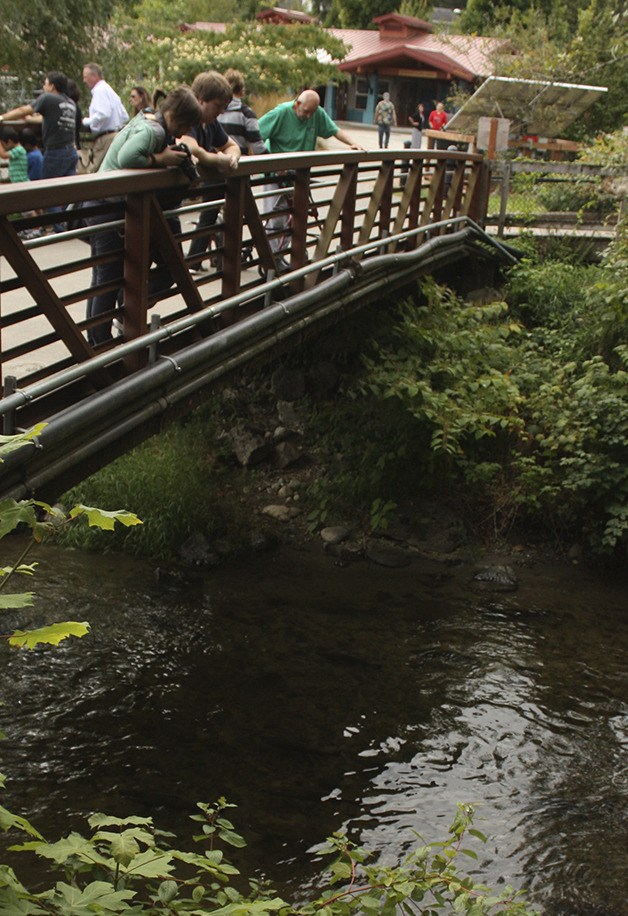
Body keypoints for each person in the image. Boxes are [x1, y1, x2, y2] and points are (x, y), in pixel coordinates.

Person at [85, 87, 201, 346]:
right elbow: (129, 157)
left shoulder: (147, 119)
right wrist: (162, 158)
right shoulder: (154, 130)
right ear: (171, 113)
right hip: (107, 208)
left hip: (104, 206)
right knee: (107, 279)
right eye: (183, 123)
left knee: (105, 279)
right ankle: (98, 345)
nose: (182, 130)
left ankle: (98, 343)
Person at [258, 89, 364, 265]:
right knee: (276, 218)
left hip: (299, 175)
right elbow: (256, 134)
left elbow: (334, 130)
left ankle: (291, 255)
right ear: (297, 104)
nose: (309, 116)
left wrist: (353, 143)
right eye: (306, 111)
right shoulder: (281, 113)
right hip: (277, 175)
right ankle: (272, 258)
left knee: (297, 216)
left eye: (312, 112)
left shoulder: (316, 113)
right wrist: (267, 160)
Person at [178, 70, 241, 273]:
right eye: (218, 106)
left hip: (170, 204)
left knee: (171, 272)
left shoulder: (211, 124)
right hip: (155, 202)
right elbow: (190, 147)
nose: (221, 112)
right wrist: (218, 159)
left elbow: (232, 145)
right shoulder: (187, 120)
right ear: (200, 100)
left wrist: (231, 157)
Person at [0, 71, 78, 181]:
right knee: (67, 190)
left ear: (52, 86)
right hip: (71, 151)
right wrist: (32, 119)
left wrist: (2, 117)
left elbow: (23, 110)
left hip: (55, 152)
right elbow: (51, 118)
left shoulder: (47, 98)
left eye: (45, 83)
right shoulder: (70, 103)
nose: (43, 86)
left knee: (47, 190)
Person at [81, 62, 129, 172]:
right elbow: (124, 116)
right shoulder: (109, 90)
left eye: (85, 77)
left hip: (105, 138)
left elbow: (103, 114)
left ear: (94, 76)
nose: (84, 81)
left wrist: (85, 121)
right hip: (116, 135)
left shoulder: (100, 91)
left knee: (98, 172)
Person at [218, 69, 267, 156]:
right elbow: (257, 148)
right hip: (240, 164)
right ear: (242, 91)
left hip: (215, 162)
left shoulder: (215, 111)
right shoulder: (247, 114)